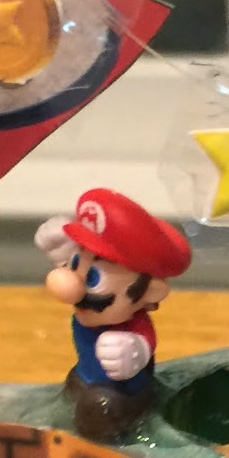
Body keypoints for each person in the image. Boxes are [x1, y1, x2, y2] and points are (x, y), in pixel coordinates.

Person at [35, 188, 193, 439]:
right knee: (78, 397)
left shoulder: (132, 328)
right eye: (75, 264)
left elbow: (143, 347)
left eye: (94, 278)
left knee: (101, 408)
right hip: (84, 379)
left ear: (150, 291)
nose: (72, 287)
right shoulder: (91, 308)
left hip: (120, 396)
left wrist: (134, 352)